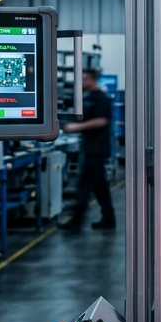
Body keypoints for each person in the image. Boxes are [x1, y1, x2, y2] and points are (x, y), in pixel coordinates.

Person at [61, 67, 115, 231]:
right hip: (90, 147)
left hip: (96, 149)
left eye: (85, 79)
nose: (82, 82)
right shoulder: (88, 97)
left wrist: (75, 127)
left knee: (84, 186)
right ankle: (108, 219)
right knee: (100, 187)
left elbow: (101, 121)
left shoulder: (101, 99)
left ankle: (76, 222)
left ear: (93, 79)